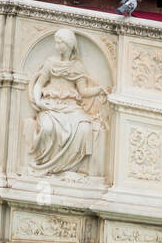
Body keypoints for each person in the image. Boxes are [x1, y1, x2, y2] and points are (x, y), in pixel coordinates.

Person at [24, 27, 109, 175]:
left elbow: (83, 92)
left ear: (69, 45)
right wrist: (38, 101)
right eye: (56, 43)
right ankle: (46, 165)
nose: (57, 47)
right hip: (50, 104)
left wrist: (99, 90)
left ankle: (68, 168)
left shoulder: (78, 67)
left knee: (84, 128)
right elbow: (39, 84)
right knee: (48, 128)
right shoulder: (50, 63)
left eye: (60, 43)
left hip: (71, 107)